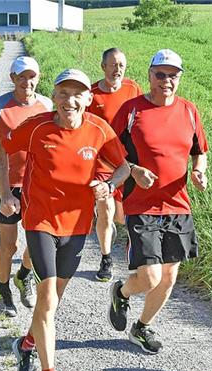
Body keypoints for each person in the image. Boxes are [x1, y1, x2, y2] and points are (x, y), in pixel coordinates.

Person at [0, 69, 131, 371]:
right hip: (40, 221)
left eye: (77, 94)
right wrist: (4, 192)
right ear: (53, 96)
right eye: (63, 93)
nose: (69, 101)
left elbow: (124, 167)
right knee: (48, 301)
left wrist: (109, 186)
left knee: (51, 303)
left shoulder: (99, 130)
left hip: (77, 228)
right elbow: (0, 148)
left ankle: (26, 345)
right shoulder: (37, 127)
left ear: (88, 99)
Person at [107, 49, 209, 354]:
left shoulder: (189, 111)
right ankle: (122, 292)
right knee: (150, 276)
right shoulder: (131, 110)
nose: (166, 80)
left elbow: (199, 151)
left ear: (180, 78)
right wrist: (134, 171)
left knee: (169, 275)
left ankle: (142, 326)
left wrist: (199, 171)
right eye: (160, 74)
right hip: (140, 204)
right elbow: (111, 152)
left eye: (173, 75)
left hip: (178, 204)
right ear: (150, 75)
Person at [0, 56, 52, 317]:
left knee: (39, 243)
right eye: (21, 76)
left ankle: (23, 275)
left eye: (32, 76)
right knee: (9, 245)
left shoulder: (47, 105)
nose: (27, 81)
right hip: (6, 186)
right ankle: (4, 292)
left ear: (38, 78)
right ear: (13, 79)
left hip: (37, 186)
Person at [88, 48, 142, 282]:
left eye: (121, 65)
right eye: (112, 65)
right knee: (106, 212)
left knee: (122, 217)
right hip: (102, 164)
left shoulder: (133, 89)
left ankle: (132, 251)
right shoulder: (91, 94)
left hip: (127, 163)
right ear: (103, 67)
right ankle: (106, 258)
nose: (117, 69)